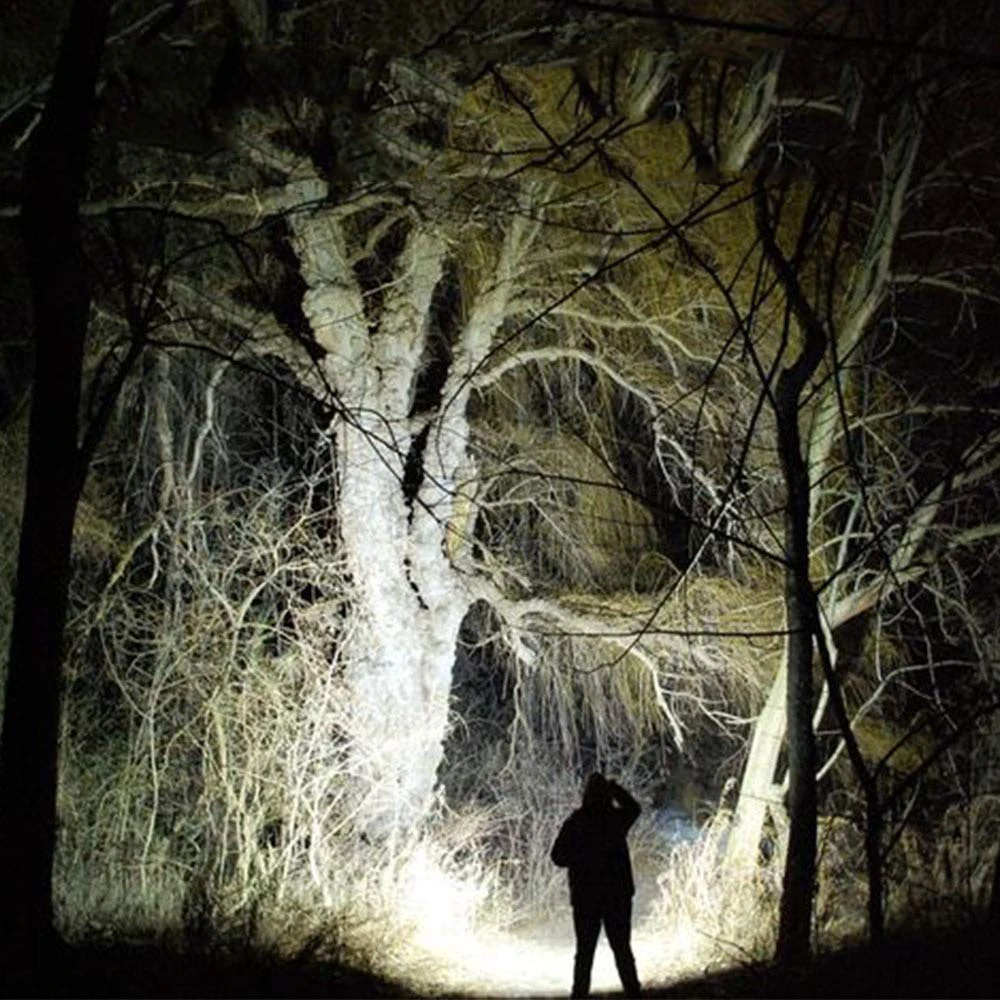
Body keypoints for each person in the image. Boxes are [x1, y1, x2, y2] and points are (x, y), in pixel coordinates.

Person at [551, 773, 642, 998]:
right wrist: (615, 788)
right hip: (617, 896)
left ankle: (579, 995)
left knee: (584, 953)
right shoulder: (615, 819)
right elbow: (634, 808)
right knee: (622, 949)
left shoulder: (576, 822)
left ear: (586, 795)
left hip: (586, 897)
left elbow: (558, 857)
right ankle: (633, 993)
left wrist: (579, 856)